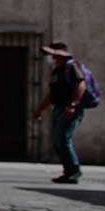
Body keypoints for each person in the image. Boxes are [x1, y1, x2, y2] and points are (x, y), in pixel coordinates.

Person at [31, 41, 87, 184]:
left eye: (53, 55)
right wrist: (39, 110)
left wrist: (73, 105)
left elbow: (81, 84)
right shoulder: (57, 71)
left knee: (63, 138)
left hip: (70, 108)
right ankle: (68, 172)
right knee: (57, 141)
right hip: (59, 108)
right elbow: (52, 94)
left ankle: (74, 170)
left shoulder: (72, 66)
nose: (51, 58)